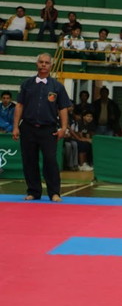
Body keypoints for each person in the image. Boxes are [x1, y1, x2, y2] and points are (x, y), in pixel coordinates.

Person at [12, 52, 70, 202]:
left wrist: (63, 128)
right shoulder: (26, 84)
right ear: (36, 64)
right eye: (41, 62)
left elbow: (63, 108)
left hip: (48, 129)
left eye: (47, 62)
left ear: (51, 65)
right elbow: (19, 105)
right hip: (28, 127)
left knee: (50, 160)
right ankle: (33, 191)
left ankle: (54, 193)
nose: (43, 65)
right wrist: (15, 127)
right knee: (29, 160)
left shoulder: (57, 86)